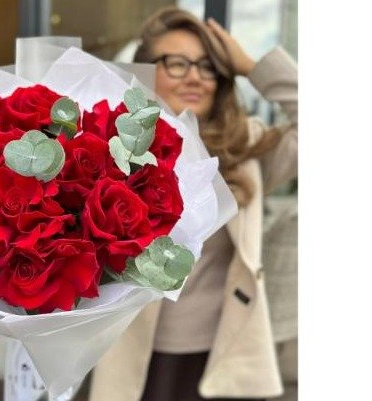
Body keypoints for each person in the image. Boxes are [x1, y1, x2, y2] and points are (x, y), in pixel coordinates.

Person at [88, 6, 297, 401]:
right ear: (146, 72)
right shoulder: (111, 148)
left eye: (207, 66)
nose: (195, 77)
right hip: (134, 348)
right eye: (177, 63)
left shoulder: (245, 148)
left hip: (224, 349)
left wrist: (253, 67)